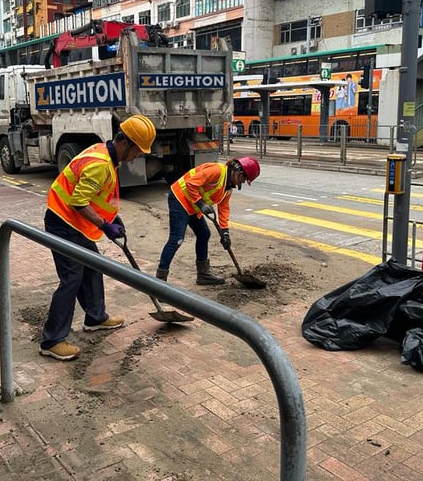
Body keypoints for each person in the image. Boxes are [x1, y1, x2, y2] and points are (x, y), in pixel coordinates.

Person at [38, 115, 157, 361]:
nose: (138, 156)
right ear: (126, 143)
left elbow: (95, 196)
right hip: (63, 222)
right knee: (71, 278)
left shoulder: (106, 154)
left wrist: (112, 217)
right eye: (138, 151)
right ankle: (51, 340)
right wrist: (105, 225)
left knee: (93, 267)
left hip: (76, 224)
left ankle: (95, 316)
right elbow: (79, 201)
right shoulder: (101, 163)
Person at [155, 156, 261, 286]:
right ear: (239, 173)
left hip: (193, 206)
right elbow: (191, 183)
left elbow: (224, 208)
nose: (242, 183)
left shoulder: (228, 187)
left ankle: (203, 274)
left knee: (204, 234)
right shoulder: (217, 171)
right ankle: (159, 281)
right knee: (176, 239)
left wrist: (225, 232)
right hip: (180, 199)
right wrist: (200, 203)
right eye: (244, 180)